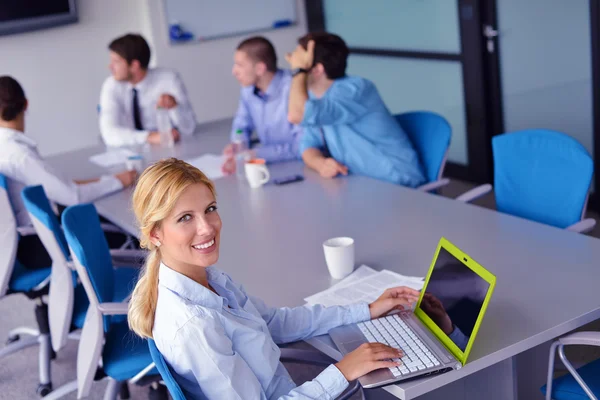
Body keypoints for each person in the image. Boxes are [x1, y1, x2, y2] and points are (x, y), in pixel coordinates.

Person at [128, 158, 421, 399]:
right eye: (185, 218)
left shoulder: (209, 279)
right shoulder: (195, 326)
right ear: (154, 233)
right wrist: (342, 372)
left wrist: (365, 310)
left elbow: (273, 322)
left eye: (210, 210)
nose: (207, 228)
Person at [0, 76, 136, 267]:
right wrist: (119, 181)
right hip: (39, 245)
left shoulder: (6, 147)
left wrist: (108, 179)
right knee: (128, 232)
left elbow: (56, 185)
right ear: (26, 104)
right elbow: (73, 196)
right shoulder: (20, 155)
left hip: (24, 240)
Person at [286, 32, 426, 187]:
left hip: (398, 182)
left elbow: (296, 115)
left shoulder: (355, 90)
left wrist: (298, 71)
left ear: (317, 69)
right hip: (359, 184)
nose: (291, 63)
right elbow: (307, 145)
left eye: (298, 61)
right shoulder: (314, 98)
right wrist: (320, 163)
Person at [99, 33, 197, 147]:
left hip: (170, 150)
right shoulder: (111, 85)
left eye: (116, 61)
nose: (110, 66)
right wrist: (150, 137)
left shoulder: (168, 79)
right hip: (132, 150)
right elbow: (109, 134)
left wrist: (175, 107)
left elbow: (189, 129)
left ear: (134, 65)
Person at [222, 36, 302, 174]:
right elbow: (241, 126)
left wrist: (258, 154)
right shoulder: (248, 90)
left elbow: (302, 146)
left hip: (300, 168)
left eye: (239, 65)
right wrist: (237, 145)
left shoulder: (294, 89)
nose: (234, 71)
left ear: (260, 69)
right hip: (270, 168)